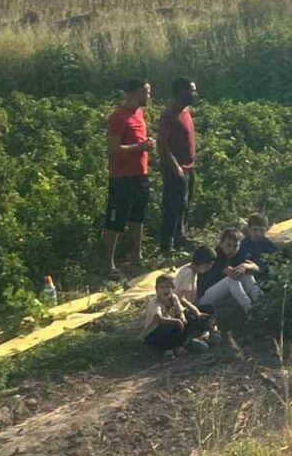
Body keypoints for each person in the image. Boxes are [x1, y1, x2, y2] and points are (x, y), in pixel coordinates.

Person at [103, 79, 155, 279]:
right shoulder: (118, 117)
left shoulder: (139, 113)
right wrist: (140, 147)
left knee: (137, 215)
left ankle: (136, 255)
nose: (149, 96)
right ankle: (108, 264)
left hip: (140, 174)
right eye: (146, 92)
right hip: (121, 177)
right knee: (115, 220)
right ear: (135, 93)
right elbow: (113, 148)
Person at [157, 77, 198, 254]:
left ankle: (181, 237)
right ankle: (167, 245)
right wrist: (176, 167)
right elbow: (162, 144)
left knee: (184, 205)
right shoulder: (168, 115)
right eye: (192, 90)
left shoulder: (186, 112)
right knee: (173, 206)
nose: (195, 94)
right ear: (181, 91)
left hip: (189, 167)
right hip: (174, 169)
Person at [141, 272, 214, 359]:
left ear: (173, 288)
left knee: (189, 318)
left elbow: (181, 311)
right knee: (173, 326)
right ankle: (169, 349)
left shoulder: (174, 298)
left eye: (168, 287)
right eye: (162, 287)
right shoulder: (155, 302)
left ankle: (190, 341)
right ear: (157, 289)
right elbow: (158, 319)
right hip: (154, 333)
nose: (165, 290)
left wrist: (183, 317)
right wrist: (177, 321)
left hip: (171, 326)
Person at [196, 228, 263, 314]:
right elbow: (233, 275)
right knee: (231, 280)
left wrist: (244, 266)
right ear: (221, 244)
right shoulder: (216, 255)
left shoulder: (238, 254)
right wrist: (245, 268)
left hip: (222, 294)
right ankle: (250, 310)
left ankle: (262, 303)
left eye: (235, 246)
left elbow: (257, 268)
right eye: (228, 245)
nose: (232, 249)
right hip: (204, 298)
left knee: (247, 276)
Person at [238, 213, 279, 281]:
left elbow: (276, 264)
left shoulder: (270, 246)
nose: (258, 233)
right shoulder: (242, 245)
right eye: (255, 229)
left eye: (261, 230)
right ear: (248, 229)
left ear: (266, 230)